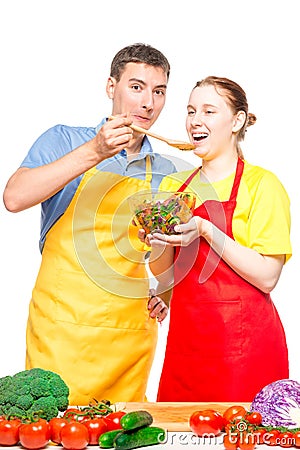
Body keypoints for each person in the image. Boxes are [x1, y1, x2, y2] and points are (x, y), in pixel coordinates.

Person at [3, 43, 177, 405]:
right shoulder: (63, 140)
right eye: (136, 87)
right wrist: (95, 151)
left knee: (121, 436)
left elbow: (161, 258)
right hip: (61, 329)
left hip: (129, 337)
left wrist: (163, 292)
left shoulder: (165, 171)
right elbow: (14, 198)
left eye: (158, 91)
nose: (148, 103)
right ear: (111, 87)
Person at [142, 76, 292, 402]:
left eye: (209, 111)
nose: (196, 120)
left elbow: (267, 277)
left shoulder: (263, 186)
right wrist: (155, 236)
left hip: (245, 350)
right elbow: (166, 273)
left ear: (236, 121)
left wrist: (208, 230)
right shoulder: (176, 187)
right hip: (186, 348)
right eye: (191, 111)